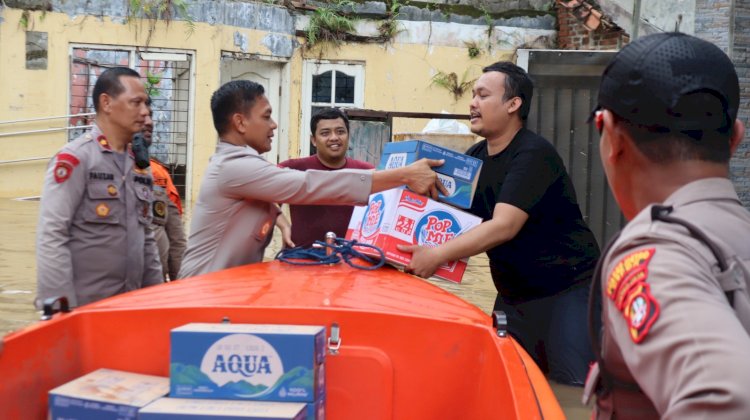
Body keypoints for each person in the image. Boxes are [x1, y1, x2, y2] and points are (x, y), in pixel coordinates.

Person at [398, 61, 601, 386]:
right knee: (512, 381)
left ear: (513, 104)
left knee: (570, 388)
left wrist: (436, 256)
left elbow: (504, 225)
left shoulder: (533, 155)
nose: (472, 103)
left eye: (482, 95)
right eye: (473, 95)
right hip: (515, 293)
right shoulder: (475, 157)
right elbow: (456, 219)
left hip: (570, 289)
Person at [583, 32, 750, 418]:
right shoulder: (736, 234)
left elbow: (727, 401)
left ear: (611, 136)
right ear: (735, 139)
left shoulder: (656, 256)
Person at [178, 80, 445, 278]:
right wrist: (405, 174)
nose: (274, 125)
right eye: (267, 116)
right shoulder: (235, 167)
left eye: (340, 131)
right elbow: (310, 185)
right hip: (206, 288)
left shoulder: (242, 165)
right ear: (240, 123)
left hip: (229, 285)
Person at [35, 67, 163, 308]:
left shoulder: (140, 167)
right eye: (136, 103)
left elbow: (146, 239)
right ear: (107, 103)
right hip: (84, 310)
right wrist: (59, 308)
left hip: (127, 308)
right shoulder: (76, 159)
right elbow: (52, 235)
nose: (145, 112)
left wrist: (156, 301)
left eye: (145, 103)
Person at [278, 107, 375, 247]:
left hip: (352, 258)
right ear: (314, 140)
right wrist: (284, 226)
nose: (334, 137)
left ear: (348, 136)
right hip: (301, 258)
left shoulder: (366, 171)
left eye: (340, 132)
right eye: (325, 133)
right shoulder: (294, 168)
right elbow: (264, 196)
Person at [142, 102, 187, 280]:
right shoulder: (96, 168)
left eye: (150, 115)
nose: (149, 122)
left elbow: (176, 238)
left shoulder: (158, 173)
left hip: (154, 288)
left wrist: (180, 286)